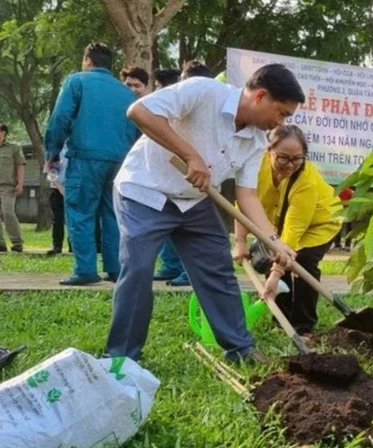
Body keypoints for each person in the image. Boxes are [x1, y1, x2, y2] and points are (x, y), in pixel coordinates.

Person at [105, 64, 303, 363]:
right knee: (139, 267)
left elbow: (246, 195)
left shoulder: (256, 141)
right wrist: (191, 155)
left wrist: (273, 241)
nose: (281, 122)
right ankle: (121, 356)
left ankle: (240, 348)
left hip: (193, 202)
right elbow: (139, 111)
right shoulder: (203, 91)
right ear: (261, 96)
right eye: (282, 113)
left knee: (218, 268)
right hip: (145, 191)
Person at [45, 43, 139, 285]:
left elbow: (60, 117)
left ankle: (85, 269)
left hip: (86, 157)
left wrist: (52, 151)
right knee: (112, 214)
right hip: (120, 161)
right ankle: (115, 268)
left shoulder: (77, 82)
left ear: (88, 60)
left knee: (80, 211)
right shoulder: (126, 92)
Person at [234, 125, 341, 335]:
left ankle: (303, 325)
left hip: (320, 223)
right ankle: (281, 319)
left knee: (303, 262)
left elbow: (293, 232)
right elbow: (243, 204)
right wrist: (240, 242)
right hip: (277, 221)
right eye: (283, 158)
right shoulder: (256, 164)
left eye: (297, 159)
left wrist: (275, 274)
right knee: (271, 256)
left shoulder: (306, 181)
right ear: (269, 151)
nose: (290, 165)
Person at [153, 63, 214, 287]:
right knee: (170, 223)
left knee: (194, 231)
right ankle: (171, 266)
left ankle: (191, 273)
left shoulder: (210, 110)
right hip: (173, 175)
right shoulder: (176, 105)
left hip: (201, 179)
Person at [0, 123, 25, 253]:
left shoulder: (13, 148)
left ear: (4, 133)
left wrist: (20, 183)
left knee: (8, 213)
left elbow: (20, 166)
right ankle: (1, 244)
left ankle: (17, 243)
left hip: (7, 186)